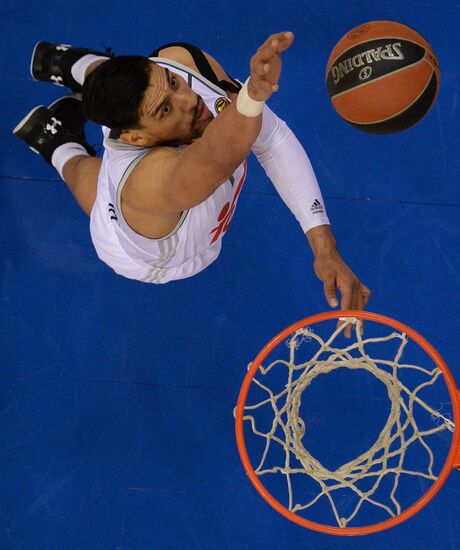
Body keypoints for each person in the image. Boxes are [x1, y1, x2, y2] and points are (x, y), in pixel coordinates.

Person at [14, 32, 371, 325]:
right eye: (166, 108)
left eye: (172, 83)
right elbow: (216, 156)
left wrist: (324, 247)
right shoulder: (150, 181)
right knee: (88, 179)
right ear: (134, 138)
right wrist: (251, 96)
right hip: (154, 256)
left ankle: (71, 63)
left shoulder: (180, 65)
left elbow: (272, 139)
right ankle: (58, 145)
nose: (189, 99)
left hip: (141, 113)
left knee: (120, 77)